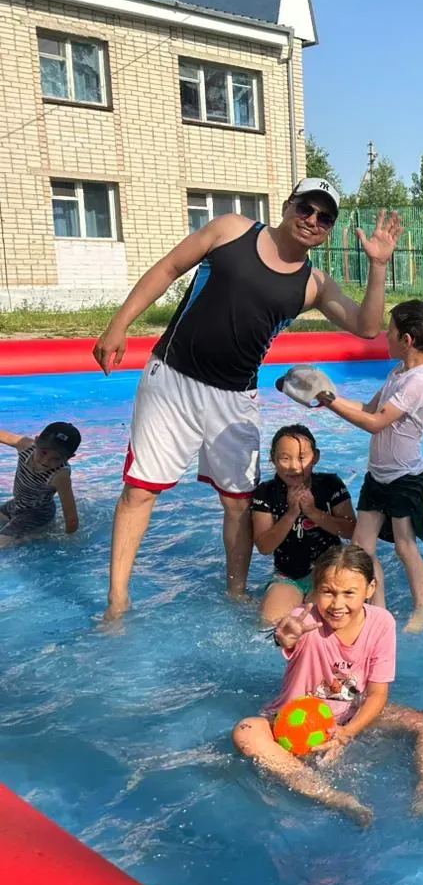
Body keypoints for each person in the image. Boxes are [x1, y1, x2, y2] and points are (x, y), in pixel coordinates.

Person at [92, 178, 402, 622]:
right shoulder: (231, 230)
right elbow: (168, 268)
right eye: (306, 208)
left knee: (238, 502)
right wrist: (119, 324)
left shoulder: (312, 284)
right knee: (140, 491)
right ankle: (118, 600)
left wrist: (378, 266)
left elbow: (367, 327)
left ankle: (235, 592)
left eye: (324, 218)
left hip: (235, 396)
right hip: (173, 378)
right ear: (288, 205)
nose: (312, 220)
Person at [232, 544, 423, 826]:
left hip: (351, 717)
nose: (337, 604)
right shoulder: (305, 620)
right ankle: (333, 797)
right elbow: (287, 634)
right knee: (246, 731)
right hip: (293, 726)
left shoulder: (381, 623)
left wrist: (347, 732)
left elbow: (378, 694)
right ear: (315, 589)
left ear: (370, 589)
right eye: (328, 592)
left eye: (349, 593)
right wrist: (286, 636)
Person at [315, 301, 423, 634]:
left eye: (390, 330)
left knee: (404, 546)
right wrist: (328, 397)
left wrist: (332, 404)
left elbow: (375, 423)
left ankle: (422, 608)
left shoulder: (421, 381)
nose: (385, 335)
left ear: (407, 340)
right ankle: (379, 612)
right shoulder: (399, 372)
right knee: (361, 549)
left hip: (406, 478)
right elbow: (368, 408)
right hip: (379, 475)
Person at [251, 425, 354, 624]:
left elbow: (350, 530)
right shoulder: (266, 492)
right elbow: (264, 547)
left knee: (324, 622)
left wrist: (313, 512)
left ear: (315, 457)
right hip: (288, 576)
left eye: (301, 458)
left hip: (329, 572)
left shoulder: (330, 484)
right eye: (285, 458)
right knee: (269, 623)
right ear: (273, 459)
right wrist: (291, 514)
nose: (294, 466)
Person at [0, 422, 80, 546]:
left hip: (36, 514)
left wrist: (68, 541)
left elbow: (72, 518)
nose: (46, 461)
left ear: (69, 458)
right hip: (17, 504)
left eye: (56, 459)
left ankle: (33, 535)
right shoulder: (25, 445)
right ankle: (26, 535)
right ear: (36, 441)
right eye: (43, 452)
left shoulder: (60, 475)